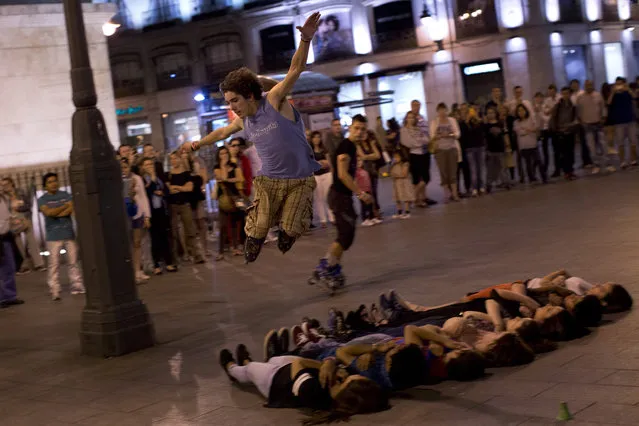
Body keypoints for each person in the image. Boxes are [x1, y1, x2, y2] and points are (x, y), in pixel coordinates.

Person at [183, 12, 323, 264]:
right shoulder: (243, 120)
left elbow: (296, 69)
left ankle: (288, 232)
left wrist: (305, 39)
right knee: (258, 225)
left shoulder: (274, 101)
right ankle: (254, 239)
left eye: (234, 100)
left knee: (292, 226)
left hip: (301, 179)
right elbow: (222, 133)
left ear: (249, 95)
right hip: (270, 181)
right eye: (228, 102)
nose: (232, 107)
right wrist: (197, 143)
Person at [219, 345, 389, 424]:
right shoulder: (337, 386)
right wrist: (332, 364)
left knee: (250, 370)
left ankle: (232, 368)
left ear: (346, 391)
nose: (352, 376)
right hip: (287, 372)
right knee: (274, 359)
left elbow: (298, 365)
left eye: (351, 380)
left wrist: (325, 365)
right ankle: (252, 361)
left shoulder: (313, 393)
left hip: (275, 383)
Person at [310, 114, 373, 290]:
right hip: (339, 196)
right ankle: (324, 268)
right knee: (345, 236)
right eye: (357, 128)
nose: (360, 132)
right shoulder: (347, 145)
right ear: (350, 128)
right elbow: (342, 174)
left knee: (347, 235)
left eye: (363, 129)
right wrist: (360, 193)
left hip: (342, 196)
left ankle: (332, 266)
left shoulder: (351, 146)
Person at [37, 173, 85, 300]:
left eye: (55, 181)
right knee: (54, 264)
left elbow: (71, 209)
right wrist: (64, 207)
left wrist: (56, 212)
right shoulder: (42, 199)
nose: (54, 184)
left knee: (73, 261)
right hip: (53, 235)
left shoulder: (65, 195)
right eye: (50, 182)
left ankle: (77, 285)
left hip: (68, 233)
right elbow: (48, 213)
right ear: (45, 185)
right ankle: (55, 289)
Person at [1, 177, 45, 273]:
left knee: (32, 241)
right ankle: (23, 266)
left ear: (12, 184)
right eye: (3, 185)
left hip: (24, 218)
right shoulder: (4, 197)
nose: (5, 187)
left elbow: (28, 205)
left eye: (6, 184)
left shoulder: (20, 192)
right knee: (18, 243)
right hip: (12, 221)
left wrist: (19, 209)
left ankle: (39, 264)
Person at [141, 157, 177, 275]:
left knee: (164, 236)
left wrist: (162, 192)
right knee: (154, 238)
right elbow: (146, 192)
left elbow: (166, 190)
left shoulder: (160, 178)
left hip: (161, 209)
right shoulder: (143, 179)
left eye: (151, 164)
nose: (150, 166)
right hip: (151, 211)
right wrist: (151, 181)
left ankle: (168, 262)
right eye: (147, 165)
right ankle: (156, 264)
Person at [121, 158, 152, 283]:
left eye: (126, 167)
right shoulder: (118, 181)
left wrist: (147, 216)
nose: (124, 169)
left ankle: (138, 270)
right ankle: (130, 272)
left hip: (137, 212)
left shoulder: (137, 178)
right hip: (125, 213)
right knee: (128, 243)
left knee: (137, 242)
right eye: (122, 167)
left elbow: (143, 197)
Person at [212, 145, 245, 261]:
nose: (224, 155)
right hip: (223, 198)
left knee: (236, 223)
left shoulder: (234, 165)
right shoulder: (217, 167)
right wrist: (225, 167)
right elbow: (222, 177)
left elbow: (240, 178)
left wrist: (229, 179)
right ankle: (220, 251)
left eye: (225, 153)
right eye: (221, 154)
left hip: (235, 197)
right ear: (218, 156)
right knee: (223, 225)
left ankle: (235, 247)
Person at [576, 80, 614, 174]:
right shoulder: (580, 97)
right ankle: (596, 164)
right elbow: (578, 111)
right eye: (587, 85)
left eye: (590, 85)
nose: (588, 86)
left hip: (598, 123)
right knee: (591, 146)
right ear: (584, 86)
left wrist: (603, 117)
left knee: (603, 144)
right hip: (587, 124)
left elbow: (603, 107)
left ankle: (607, 164)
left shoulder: (598, 95)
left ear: (592, 85)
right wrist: (581, 121)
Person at [430, 103, 462, 201]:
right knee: (443, 173)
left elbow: (457, 133)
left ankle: (455, 194)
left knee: (453, 172)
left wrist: (450, 134)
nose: (442, 112)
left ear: (447, 110)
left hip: (451, 148)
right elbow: (432, 136)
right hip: (440, 150)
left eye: (444, 110)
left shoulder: (452, 120)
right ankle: (446, 195)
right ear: (437, 111)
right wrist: (439, 135)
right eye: (440, 110)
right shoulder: (434, 122)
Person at [400, 111, 431, 207]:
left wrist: (419, 142)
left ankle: (414, 196)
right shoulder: (404, 130)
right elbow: (407, 143)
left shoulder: (418, 128)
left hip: (424, 153)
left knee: (426, 177)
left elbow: (427, 139)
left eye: (412, 117)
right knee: (416, 179)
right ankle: (417, 199)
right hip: (414, 155)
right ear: (406, 119)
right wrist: (419, 142)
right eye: (409, 117)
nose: (411, 119)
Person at [0, 185, 23, 309]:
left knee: (9, 267)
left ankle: (10, 296)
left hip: (6, 236)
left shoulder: (4, 198)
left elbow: (10, 211)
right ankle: (2, 297)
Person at [550, 87, 579, 180]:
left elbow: (575, 118)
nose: (565, 95)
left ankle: (570, 171)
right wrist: (556, 130)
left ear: (570, 94)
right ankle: (566, 171)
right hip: (561, 133)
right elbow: (553, 118)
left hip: (570, 132)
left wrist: (571, 126)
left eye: (567, 93)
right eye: (563, 93)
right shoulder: (558, 106)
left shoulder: (573, 106)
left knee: (571, 152)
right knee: (564, 153)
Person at [513, 104, 544, 183]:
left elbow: (536, 127)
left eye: (522, 110)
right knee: (528, 163)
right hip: (523, 146)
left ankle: (544, 177)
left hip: (533, 144)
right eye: (519, 111)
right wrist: (529, 130)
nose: (521, 112)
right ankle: (531, 178)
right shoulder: (516, 122)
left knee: (538, 161)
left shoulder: (531, 118)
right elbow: (520, 132)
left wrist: (528, 129)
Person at [310, 131, 334, 228]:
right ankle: (323, 219)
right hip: (316, 176)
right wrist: (318, 163)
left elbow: (329, 162)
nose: (316, 139)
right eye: (314, 137)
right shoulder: (309, 150)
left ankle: (332, 217)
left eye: (318, 137)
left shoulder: (324, 149)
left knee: (328, 197)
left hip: (327, 174)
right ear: (311, 139)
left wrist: (326, 163)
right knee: (318, 198)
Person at [389, 149, 414, 219]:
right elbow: (390, 173)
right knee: (397, 198)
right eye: (394, 157)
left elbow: (404, 174)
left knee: (405, 197)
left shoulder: (405, 164)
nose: (395, 159)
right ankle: (399, 212)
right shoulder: (393, 165)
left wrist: (395, 175)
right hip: (396, 183)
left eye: (397, 157)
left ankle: (407, 212)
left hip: (404, 183)